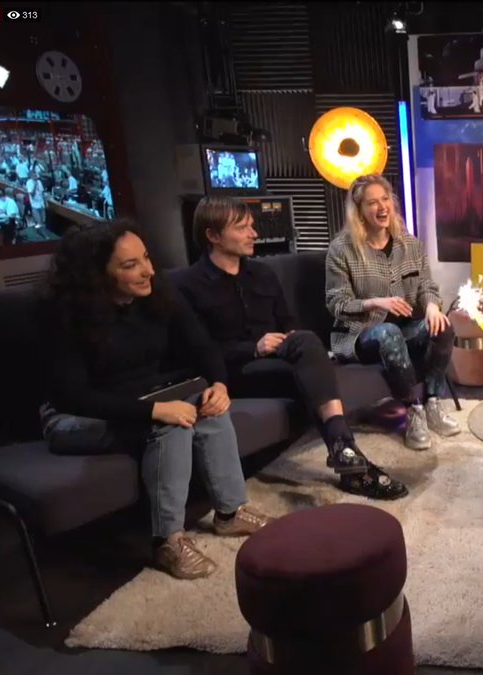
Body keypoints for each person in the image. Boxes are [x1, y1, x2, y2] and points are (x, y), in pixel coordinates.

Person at [38, 220, 273, 580]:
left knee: (205, 407)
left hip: (144, 398)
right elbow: (74, 396)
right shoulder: (64, 314)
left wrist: (219, 386)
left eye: (146, 258)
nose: (148, 270)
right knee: (169, 424)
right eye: (130, 265)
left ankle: (231, 512)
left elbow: (203, 347)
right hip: (72, 417)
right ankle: (168, 540)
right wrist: (156, 410)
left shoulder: (158, 293)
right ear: (96, 274)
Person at [174, 196, 408, 500]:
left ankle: (346, 454)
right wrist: (253, 348)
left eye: (252, 226)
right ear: (213, 235)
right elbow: (197, 351)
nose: (254, 234)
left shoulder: (262, 274)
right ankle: (348, 455)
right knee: (314, 375)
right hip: (234, 372)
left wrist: (292, 336)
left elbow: (288, 321)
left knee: (307, 347)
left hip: (279, 360)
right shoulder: (187, 285)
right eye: (242, 228)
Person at [326, 174, 460, 450]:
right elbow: (336, 303)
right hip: (361, 335)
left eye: (385, 199)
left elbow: (426, 286)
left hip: (404, 329)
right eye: (372, 202)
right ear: (359, 211)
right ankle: (413, 410)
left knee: (443, 326)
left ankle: (433, 403)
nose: (382, 207)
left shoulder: (409, 244)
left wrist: (432, 306)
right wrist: (375, 302)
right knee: (388, 333)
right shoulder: (342, 250)